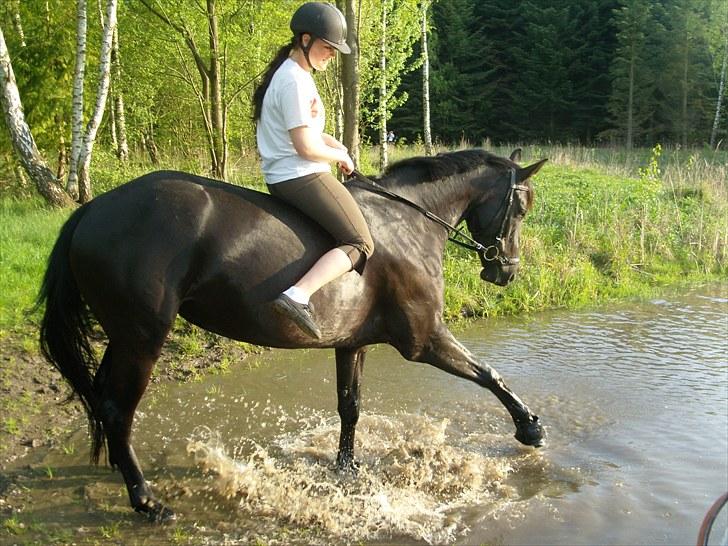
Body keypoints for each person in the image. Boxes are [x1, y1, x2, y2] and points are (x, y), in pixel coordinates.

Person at [252, 2, 374, 340]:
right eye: (327, 48)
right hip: (299, 174)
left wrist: (334, 144)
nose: (331, 56)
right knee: (360, 242)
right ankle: (298, 295)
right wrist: (341, 160)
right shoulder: (294, 81)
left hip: (293, 170)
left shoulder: (295, 75)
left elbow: (302, 131)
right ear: (305, 40)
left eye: (335, 51)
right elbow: (305, 148)